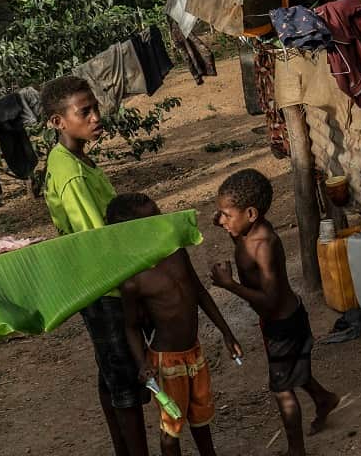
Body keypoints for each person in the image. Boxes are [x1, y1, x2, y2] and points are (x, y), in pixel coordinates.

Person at [41, 75, 149, 456]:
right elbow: (97, 241)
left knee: (111, 373)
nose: (95, 117)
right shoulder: (70, 174)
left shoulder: (75, 158)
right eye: (84, 112)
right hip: (106, 286)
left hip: (99, 283)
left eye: (95, 108)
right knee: (124, 379)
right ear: (58, 122)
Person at [210, 169, 339, 456]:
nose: (222, 220)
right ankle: (323, 399)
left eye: (226, 215)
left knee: (282, 388)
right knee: (293, 369)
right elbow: (231, 225)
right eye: (221, 214)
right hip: (277, 322)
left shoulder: (264, 244)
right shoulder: (244, 231)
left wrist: (229, 285)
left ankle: (296, 449)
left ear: (251, 213)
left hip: (284, 323)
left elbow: (269, 299)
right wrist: (223, 218)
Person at [108, 193, 243, 456]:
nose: (161, 223)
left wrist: (226, 332)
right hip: (166, 361)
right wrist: (141, 363)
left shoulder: (176, 251)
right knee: (172, 428)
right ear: (132, 232)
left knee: (201, 417)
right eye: (151, 220)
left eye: (159, 215)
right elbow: (131, 326)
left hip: (193, 353)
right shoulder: (133, 280)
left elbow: (200, 292)